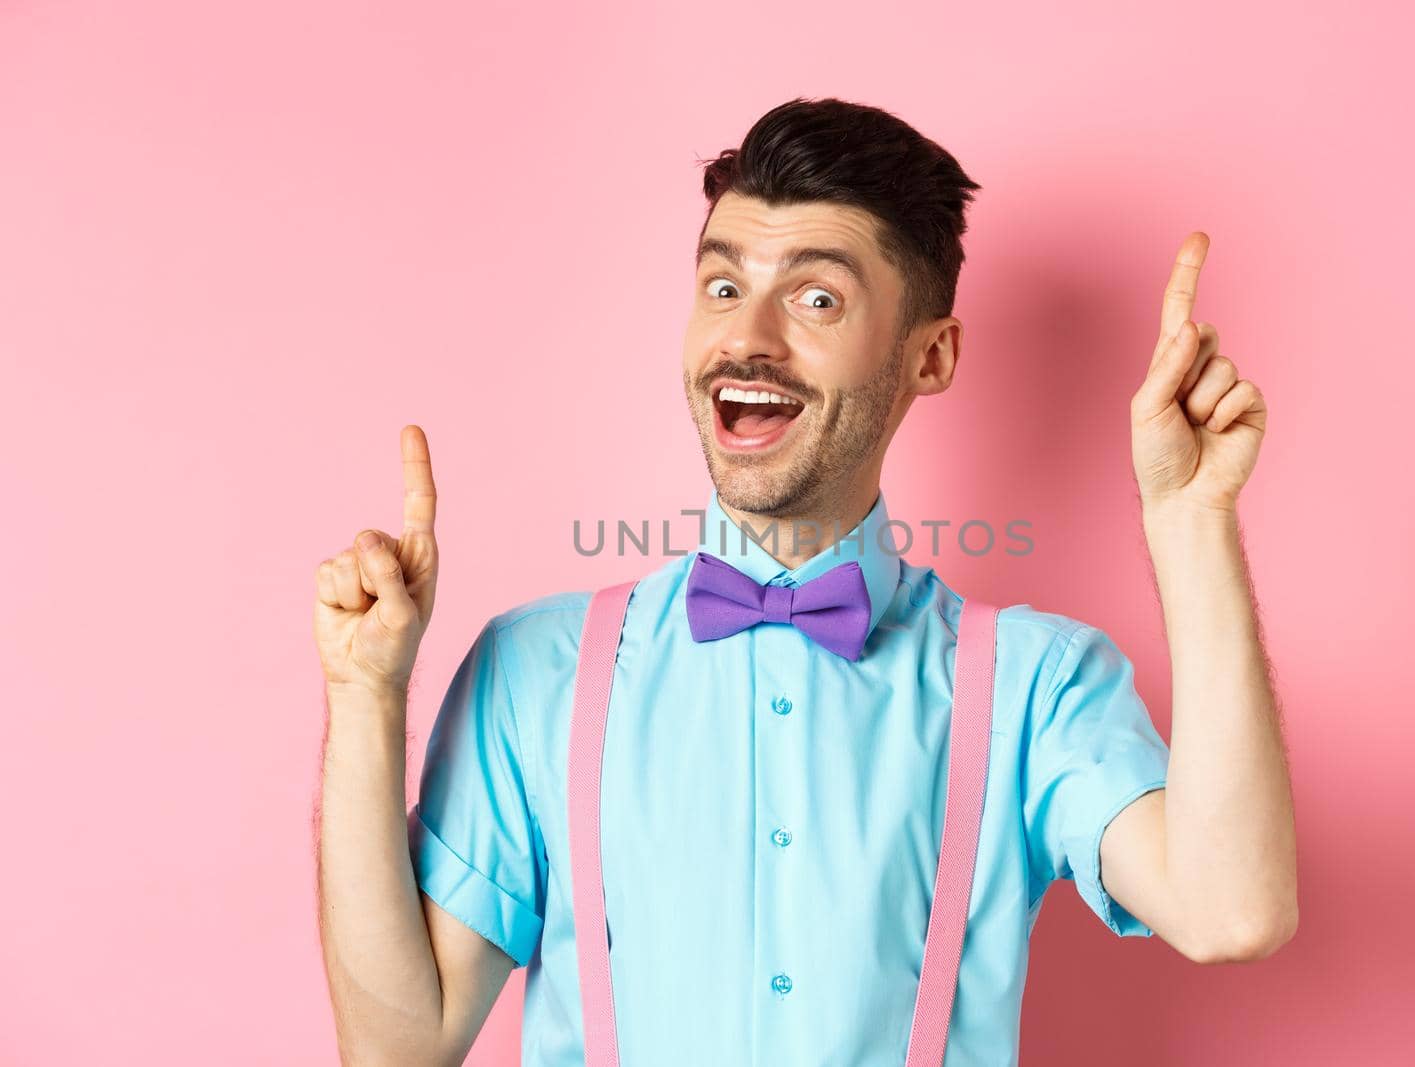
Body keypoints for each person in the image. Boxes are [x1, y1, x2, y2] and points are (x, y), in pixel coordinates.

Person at [313, 97, 1296, 1066]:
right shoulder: (536, 670)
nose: (749, 339)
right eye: (723, 287)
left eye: (816, 297)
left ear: (932, 354)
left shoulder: (1037, 686)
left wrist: (1191, 520)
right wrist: (365, 697)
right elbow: (397, 1046)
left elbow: (1230, 907)